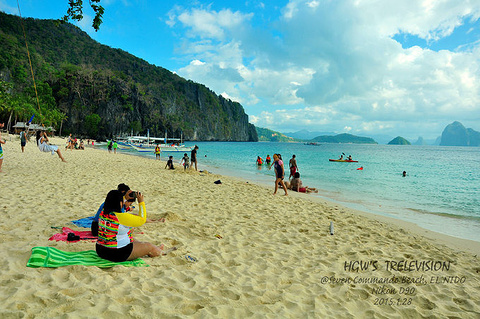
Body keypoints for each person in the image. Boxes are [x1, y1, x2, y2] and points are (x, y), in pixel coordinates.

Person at [96, 189, 174, 262]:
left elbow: (117, 207)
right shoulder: (121, 217)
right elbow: (142, 220)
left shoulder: (103, 213)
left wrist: (125, 197)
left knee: (133, 239)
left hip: (101, 250)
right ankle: (159, 251)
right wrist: (141, 202)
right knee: (148, 246)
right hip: (116, 253)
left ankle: (155, 248)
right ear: (120, 203)